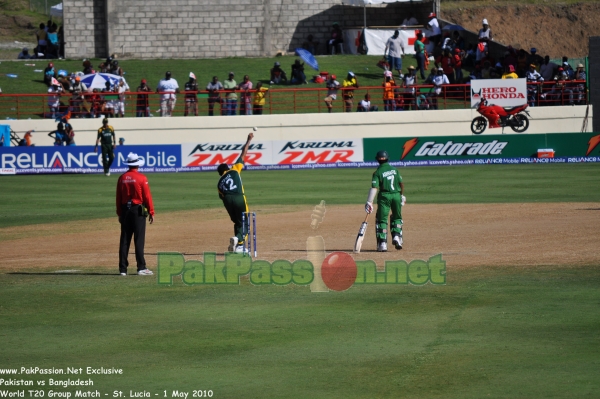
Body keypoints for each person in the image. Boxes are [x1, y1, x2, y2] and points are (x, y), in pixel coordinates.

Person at [116, 152, 155, 276]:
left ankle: (123, 269)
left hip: (125, 210)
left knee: (125, 239)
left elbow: (118, 197)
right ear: (137, 165)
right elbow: (147, 196)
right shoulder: (142, 178)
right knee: (139, 239)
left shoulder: (122, 178)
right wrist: (151, 211)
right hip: (137, 210)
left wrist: (119, 212)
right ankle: (141, 267)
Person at [217, 132, 254, 253]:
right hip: (238, 197)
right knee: (245, 221)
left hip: (227, 200)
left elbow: (222, 198)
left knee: (237, 221)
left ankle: (238, 246)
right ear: (227, 168)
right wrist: (248, 140)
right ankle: (238, 240)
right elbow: (244, 153)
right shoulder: (234, 169)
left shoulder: (219, 183)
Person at [365, 150, 404, 252]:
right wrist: (402, 195)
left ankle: (383, 243)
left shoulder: (377, 172)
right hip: (396, 195)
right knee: (397, 217)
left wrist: (369, 201)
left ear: (377, 159)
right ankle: (396, 236)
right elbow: (401, 184)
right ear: (388, 158)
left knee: (382, 219)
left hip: (384, 197)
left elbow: (374, 187)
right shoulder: (395, 170)